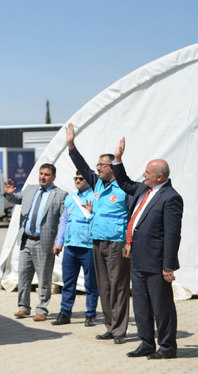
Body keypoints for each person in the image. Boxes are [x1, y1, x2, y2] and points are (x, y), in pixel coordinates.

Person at [112, 138, 183, 360]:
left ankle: (167, 347)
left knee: (162, 307)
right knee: (141, 305)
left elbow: (172, 235)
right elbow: (125, 183)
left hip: (156, 262)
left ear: (160, 177)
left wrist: (168, 266)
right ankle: (146, 343)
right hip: (137, 259)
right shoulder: (144, 188)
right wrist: (117, 160)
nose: (143, 175)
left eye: (148, 173)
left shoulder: (171, 198)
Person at [65, 123, 129, 344]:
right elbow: (82, 166)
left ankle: (120, 331)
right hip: (97, 241)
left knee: (118, 287)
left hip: (116, 243)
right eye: (98, 165)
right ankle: (110, 326)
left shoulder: (124, 187)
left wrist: (129, 241)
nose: (98, 168)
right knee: (104, 286)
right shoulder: (97, 184)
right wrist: (71, 145)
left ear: (112, 167)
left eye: (102, 165)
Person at [5, 163, 67, 321]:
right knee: (23, 276)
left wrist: (59, 241)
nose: (43, 177)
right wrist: (9, 194)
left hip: (44, 243)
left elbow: (64, 220)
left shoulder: (60, 194)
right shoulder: (30, 189)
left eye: (47, 175)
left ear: (53, 177)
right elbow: (16, 199)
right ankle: (23, 307)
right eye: (41, 174)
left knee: (44, 277)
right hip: (26, 240)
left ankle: (42, 309)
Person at [51, 172, 99, 327]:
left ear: (88, 180)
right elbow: (64, 221)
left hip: (88, 247)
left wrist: (92, 213)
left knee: (91, 283)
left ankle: (90, 314)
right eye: (76, 178)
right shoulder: (71, 198)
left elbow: (99, 219)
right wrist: (59, 242)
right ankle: (65, 313)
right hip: (71, 247)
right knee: (68, 283)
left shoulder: (96, 197)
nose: (78, 181)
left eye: (81, 178)